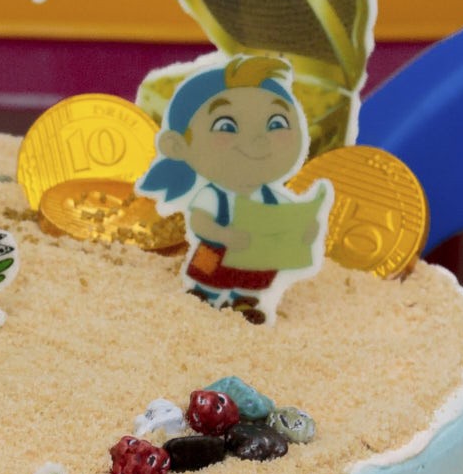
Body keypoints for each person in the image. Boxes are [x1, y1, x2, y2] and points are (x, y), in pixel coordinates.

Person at [137, 54, 329, 324]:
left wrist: (305, 232)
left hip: (255, 258)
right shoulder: (212, 195)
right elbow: (200, 222)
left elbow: (288, 226)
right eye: (226, 126)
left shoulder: (273, 198)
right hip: (217, 253)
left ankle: (244, 301)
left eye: (276, 123)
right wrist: (222, 234)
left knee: (250, 279)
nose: (258, 139)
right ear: (178, 145)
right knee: (209, 275)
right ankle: (203, 295)